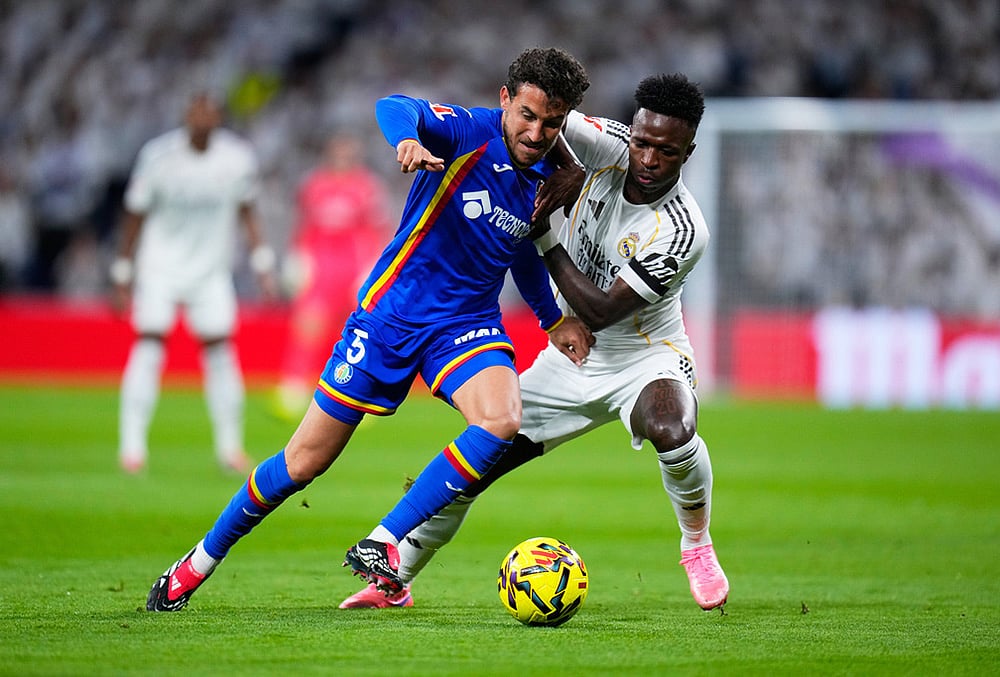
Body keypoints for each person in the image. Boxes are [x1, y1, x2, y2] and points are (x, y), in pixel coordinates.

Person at [144, 47, 593, 612]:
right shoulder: (471, 133)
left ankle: (385, 542)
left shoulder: (553, 176)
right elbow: (394, 105)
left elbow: (521, 247)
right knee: (300, 464)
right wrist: (406, 139)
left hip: (468, 324)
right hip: (389, 319)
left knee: (501, 419)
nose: (537, 131)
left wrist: (553, 320)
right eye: (528, 115)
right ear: (505, 100)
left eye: (552, 122)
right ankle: (196, 563)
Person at [339, 73, 729, 612]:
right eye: (641, 142)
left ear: (687, 152)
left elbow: (598, 308)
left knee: (672, 428)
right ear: (632, 131)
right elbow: (537, 122)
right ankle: (397, 577)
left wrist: (539, 228)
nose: (646, 158)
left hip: (644, 356)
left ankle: (696, 543)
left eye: (665, 151)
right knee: (481, 455)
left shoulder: (683, 229)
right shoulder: (605, 142)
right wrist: (565, 168)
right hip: (571, 358)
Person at [110, 92, 278, 475]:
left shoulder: (236, 158)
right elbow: (135, 213)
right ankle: (132, 447)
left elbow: (247, 211)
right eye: (196, 109)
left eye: (210, 110)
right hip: (159, 267)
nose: (203, 116)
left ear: (218, 116)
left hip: (210, 270)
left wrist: (262, 263)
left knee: (220, 349)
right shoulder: (158, 156)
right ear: (186, 114)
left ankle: (230, 448)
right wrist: (122, 269)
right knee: (150, 341)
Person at [272, 133, 393, 420]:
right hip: (321, 268)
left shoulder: (367, 187)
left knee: (359, 334)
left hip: (353, 269)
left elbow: (378, 230)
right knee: (308, 327)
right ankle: (294, 389)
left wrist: (372, 268)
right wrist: (298, 257)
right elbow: (304, 226)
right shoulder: (315, 185)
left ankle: (360, 396)